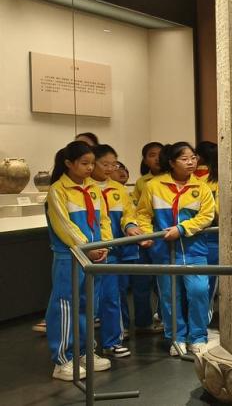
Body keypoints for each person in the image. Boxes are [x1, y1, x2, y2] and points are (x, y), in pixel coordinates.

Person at [136, 142, 216, 356]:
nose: (191, 162)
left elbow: (207, 216)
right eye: (184, 158)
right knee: (170, 297)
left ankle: (198, 337)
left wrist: (182, 229)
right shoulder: (153, 186)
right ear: (171, 162)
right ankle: (176, 337)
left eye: (193, 157)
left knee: (199, 292)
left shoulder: (201, 187)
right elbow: (143, 213)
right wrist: (147, 234)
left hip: (195, 250)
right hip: (164, 251)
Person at [43, 141, 113, 381]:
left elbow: (103, 219)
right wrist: (86, 247)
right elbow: (64, 225)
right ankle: (62, 359)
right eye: (84, 163)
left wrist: (106, 244)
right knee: (65, 306)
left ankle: (84, 352)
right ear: (68, 163)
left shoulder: (93, 188)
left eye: (92, 163)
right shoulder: (57, 190)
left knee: (89, 304)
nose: (90, 168)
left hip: (94, 255)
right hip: (70, 256)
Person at [92, 145, 142, 359]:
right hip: (90, 250)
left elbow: (128, 213)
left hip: (113, 251)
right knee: (89, 300)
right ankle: (84, 348)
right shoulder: (85, 188)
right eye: (105, 164)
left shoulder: (119, 189)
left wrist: (130, 225)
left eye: (114, 164)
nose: (110, 168)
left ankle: (112, 341)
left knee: (112, 296)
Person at [129, 142, 164, 334]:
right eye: (152, 155)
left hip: (165, 237)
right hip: (144, 237)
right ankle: (143, 322)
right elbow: (138, 210)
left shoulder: (172, 178)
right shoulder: (142, 182)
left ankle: (164, 318)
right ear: (144, 160)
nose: (157, 158)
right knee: (141, 282)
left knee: (164, 282)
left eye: (160, 154)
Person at [195, 141, 220, 319]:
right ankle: (203, 318)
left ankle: (202, 317)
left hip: (208, 232)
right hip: (211, 233)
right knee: (208, 279)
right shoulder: (204, 181)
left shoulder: (200, 180)